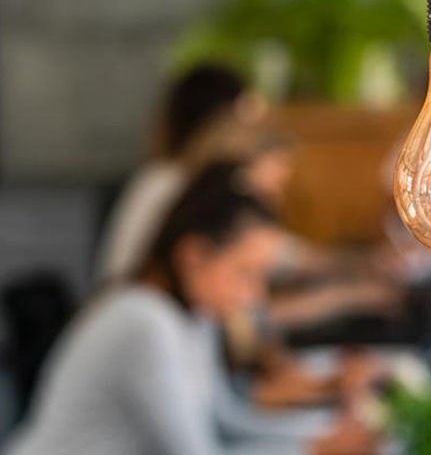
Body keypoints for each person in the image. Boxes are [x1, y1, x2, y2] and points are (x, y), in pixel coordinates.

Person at [9, 164, 378, 455]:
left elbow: (227, 421)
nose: (254, 295)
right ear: (194, 256)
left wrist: (319, 437)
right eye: (245, 273)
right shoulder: (143, 321)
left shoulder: (193, 317)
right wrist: (316, 448)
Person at [97, 64, 256, 280]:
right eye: (245, 121)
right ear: (221, 125)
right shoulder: (170, 183)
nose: (251, 137)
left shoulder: (168, 179)